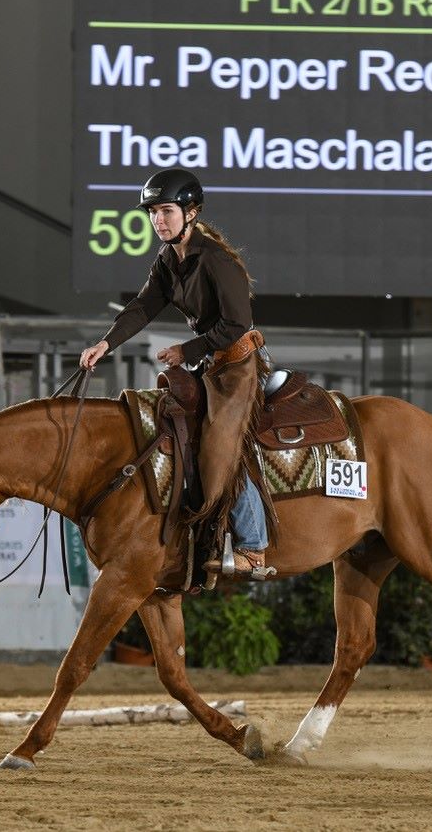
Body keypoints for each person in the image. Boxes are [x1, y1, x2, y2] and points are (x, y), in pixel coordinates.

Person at [79, 169, 270, 575]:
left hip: (237, 365)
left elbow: (237, 324)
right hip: (210, 364)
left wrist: (188, 349)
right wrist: (106, 344)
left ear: (192, 212)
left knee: (220, 443)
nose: (158, 220)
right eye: (153, 212)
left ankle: (254, 546)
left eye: (166, 210)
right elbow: (143, 307)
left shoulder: (217, 261)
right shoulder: (169, 260)